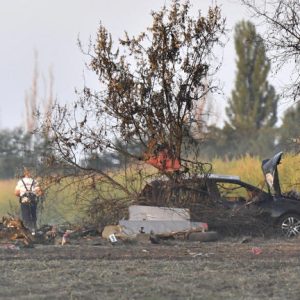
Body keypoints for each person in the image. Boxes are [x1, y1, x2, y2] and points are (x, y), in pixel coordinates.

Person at [14, 168, 43, 235]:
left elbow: (16, 193)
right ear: (30, 174)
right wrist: (36, 195)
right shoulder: (35, 181)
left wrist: (22, 195)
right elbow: (40, 192)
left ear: (25, 173)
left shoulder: (20, 182)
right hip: (33, 200)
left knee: (26, 216)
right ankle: (34, 230)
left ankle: (29, 231)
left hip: (24, 200)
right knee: (33, 215)